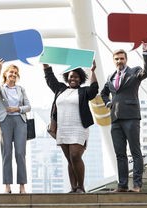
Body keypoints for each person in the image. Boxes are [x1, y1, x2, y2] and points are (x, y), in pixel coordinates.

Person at [101, 42, 147, 192]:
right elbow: (103, 93)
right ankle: (122, 185)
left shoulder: (134, 72)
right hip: (115, 119)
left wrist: (146, 52)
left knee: (135, 152)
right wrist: (108, 102)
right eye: (116, 59)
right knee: (120, 154)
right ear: (113, 60)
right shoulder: (110, 77)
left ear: (126, 59)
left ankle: (137, 185)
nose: (119, 61)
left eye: (122, 58)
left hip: (131, 117)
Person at [43, 61, 98, 193]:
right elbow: (50, 78)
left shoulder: (84, 91)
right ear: (67, 77)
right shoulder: (60, 89)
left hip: (79, 128)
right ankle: (73, 188)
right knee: (69, 159)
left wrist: (93, 71)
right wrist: (45, 63)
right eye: (71, 76)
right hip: (63, 128)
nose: (73, 78)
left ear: (80, 79)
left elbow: (94, 89)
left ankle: (81, 187)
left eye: (76, 77)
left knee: (75, 156)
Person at [0, 58, 31, 194]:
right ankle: (7, 186)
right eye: (11, 72)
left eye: (15, 73)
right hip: (4, 121)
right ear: (6, 74)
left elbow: (28, 106)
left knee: (20, 153)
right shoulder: (1, 89)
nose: (13, 74)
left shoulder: (21, 89)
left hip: (20, 122)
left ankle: (22, 186)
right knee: (6, 153)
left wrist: (17, 109)